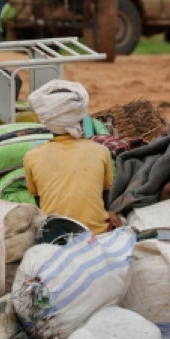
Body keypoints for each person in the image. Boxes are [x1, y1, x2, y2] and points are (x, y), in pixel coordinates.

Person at [23, 80, 116, 233]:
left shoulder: (32, 156)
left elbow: (40, 203)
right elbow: (104, 197)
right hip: (96, 233)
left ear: (46, 121)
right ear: (81, 119)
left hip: (55, 234)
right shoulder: (101, 151)